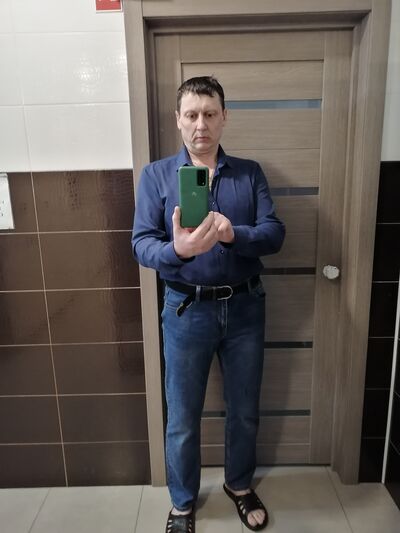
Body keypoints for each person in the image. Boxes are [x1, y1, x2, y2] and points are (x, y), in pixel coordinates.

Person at [132, 76, 285, 532]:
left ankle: (239, 485)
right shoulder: (156, 176)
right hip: (185, 311)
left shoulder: (250, 173)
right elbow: (141, 243)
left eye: (210, 114)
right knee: (182, 416)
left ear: (224, 117)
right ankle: (182, 503)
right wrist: (177, 250)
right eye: (192, 114)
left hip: (245, 308)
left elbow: (274, 233)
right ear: (178, 120)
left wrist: (234, 234)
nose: (201, 124)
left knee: (244, 408)